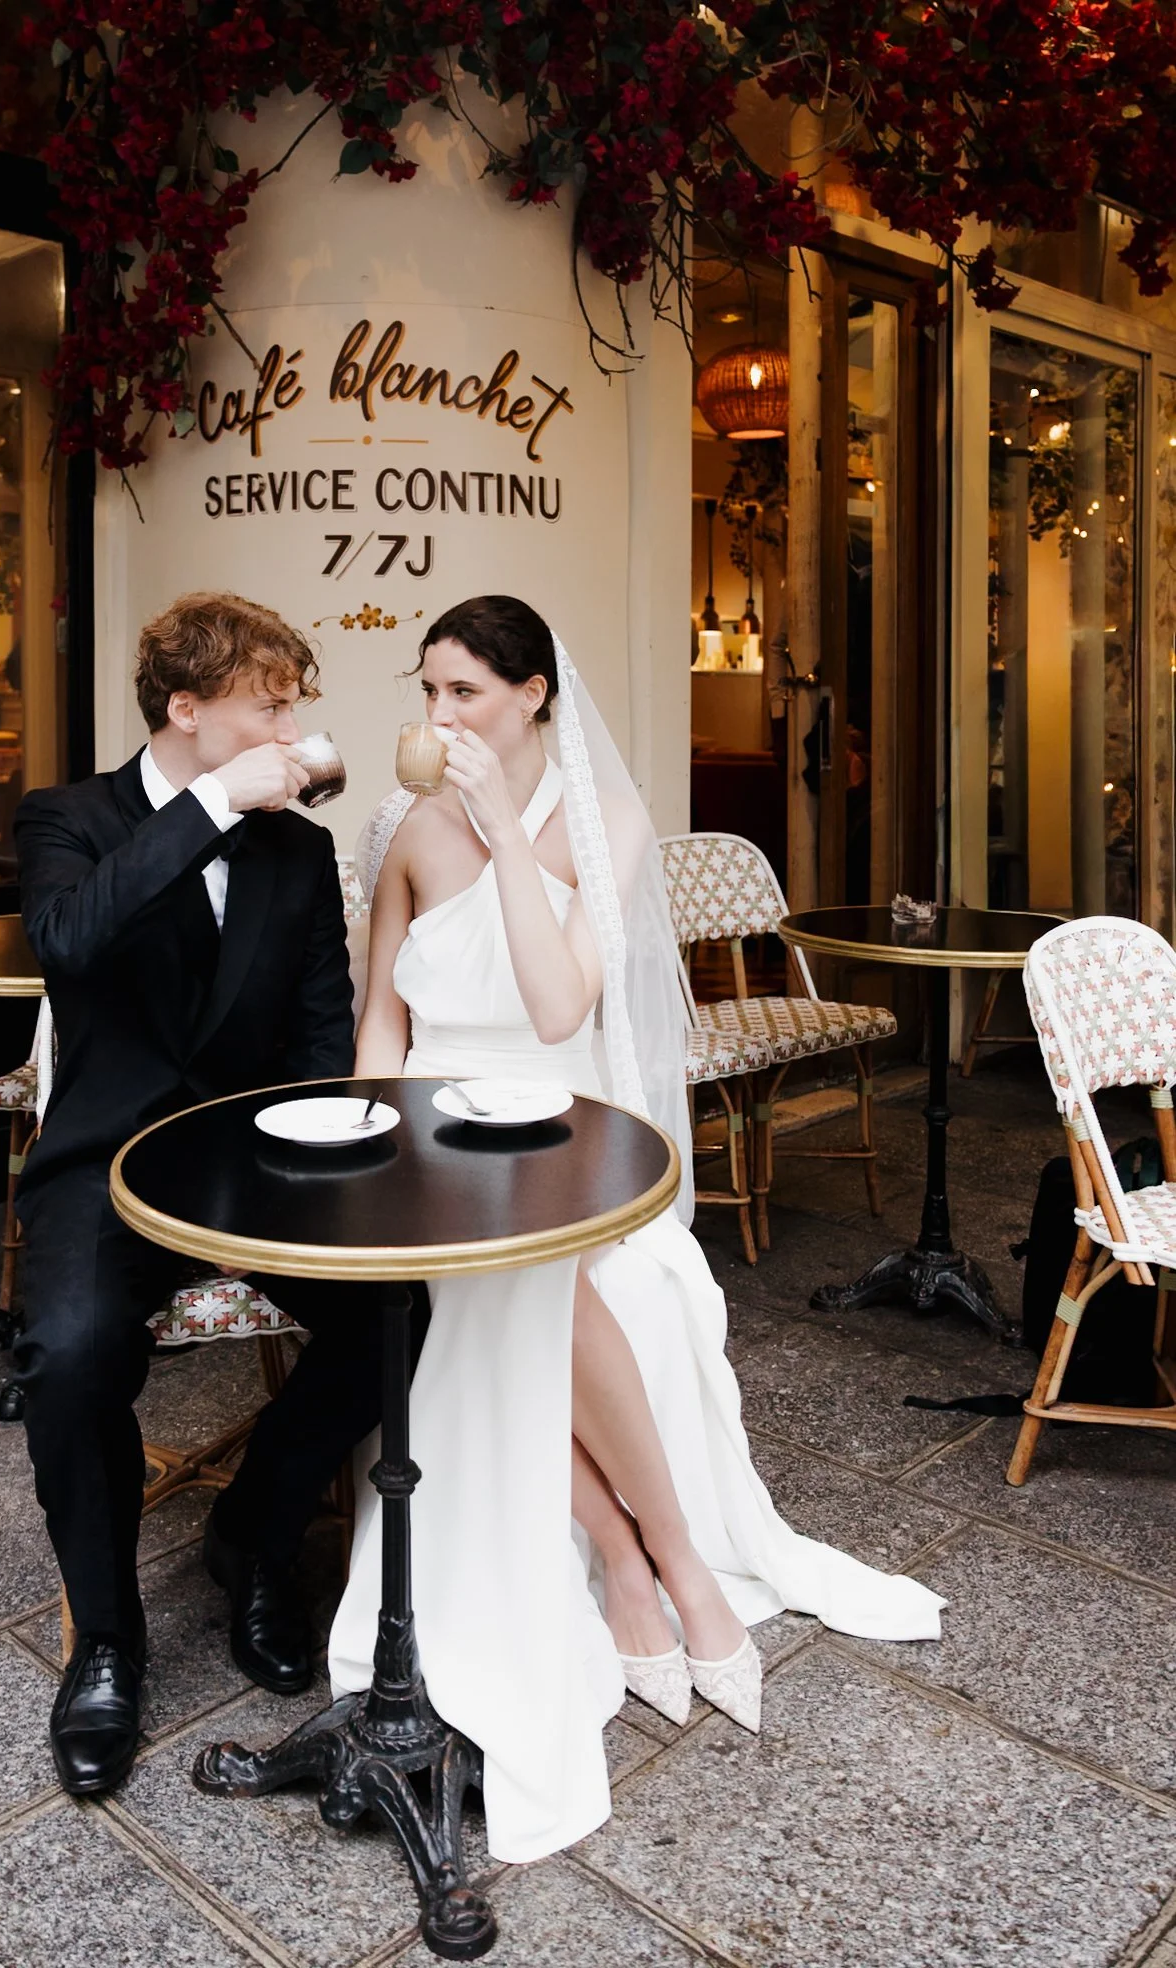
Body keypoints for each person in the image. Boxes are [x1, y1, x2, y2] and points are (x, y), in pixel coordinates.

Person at [330, 594, 944, 1864]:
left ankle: (662, 1561)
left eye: (469, 696)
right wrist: (374, 1139)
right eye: (429, 693)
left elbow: (558, 1012)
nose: (441, 719)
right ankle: (640, 1555)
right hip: (428, 1134)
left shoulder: (604, 825)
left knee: (537, 1272)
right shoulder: (400, 825)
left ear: (535, 697)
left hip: (552, 1125)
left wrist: (505, 833)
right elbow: (380, 1016)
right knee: (505, 1280)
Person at [14, 591, 395, 1799]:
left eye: (294, 702)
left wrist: (343, 1157)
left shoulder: (299, 846)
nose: (294, 723)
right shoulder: (70, 818)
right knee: (68, 1354)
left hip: (258, 1163)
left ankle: (257, 1530)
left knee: (402, 1314)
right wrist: (216, 803)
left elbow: (322, 1029)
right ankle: (109, 1637)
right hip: (107, 1170)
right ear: (186, 708)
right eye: (269, 704)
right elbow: (70, 941)